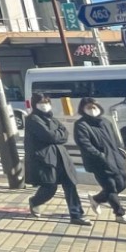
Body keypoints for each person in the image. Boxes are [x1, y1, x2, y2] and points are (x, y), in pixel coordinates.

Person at [23, 95, 91, 226]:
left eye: (47, 102)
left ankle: (76, 215)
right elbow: (49, 135)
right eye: (41, 102)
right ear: (35, 104)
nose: (45, 104)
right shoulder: (32, 119)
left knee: (70, 185)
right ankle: (35, 201)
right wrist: (57, 135)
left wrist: (56, 135)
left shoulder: (52, 118)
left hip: (61, 156)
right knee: (49, 187)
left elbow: (64, 134)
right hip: (45, 159)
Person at [73, 96, 126, 225]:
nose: (92, 109)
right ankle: (120, 214)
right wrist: (101, 156)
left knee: (121, 185)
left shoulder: (105, 122)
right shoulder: (81, 125)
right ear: (83, 109)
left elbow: (115, 139)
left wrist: (119, 151)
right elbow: (85, 144)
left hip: (116, 159)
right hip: (98, 163)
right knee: (110, 188)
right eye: (88, 107)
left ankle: (97, 199)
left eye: (94, 106)